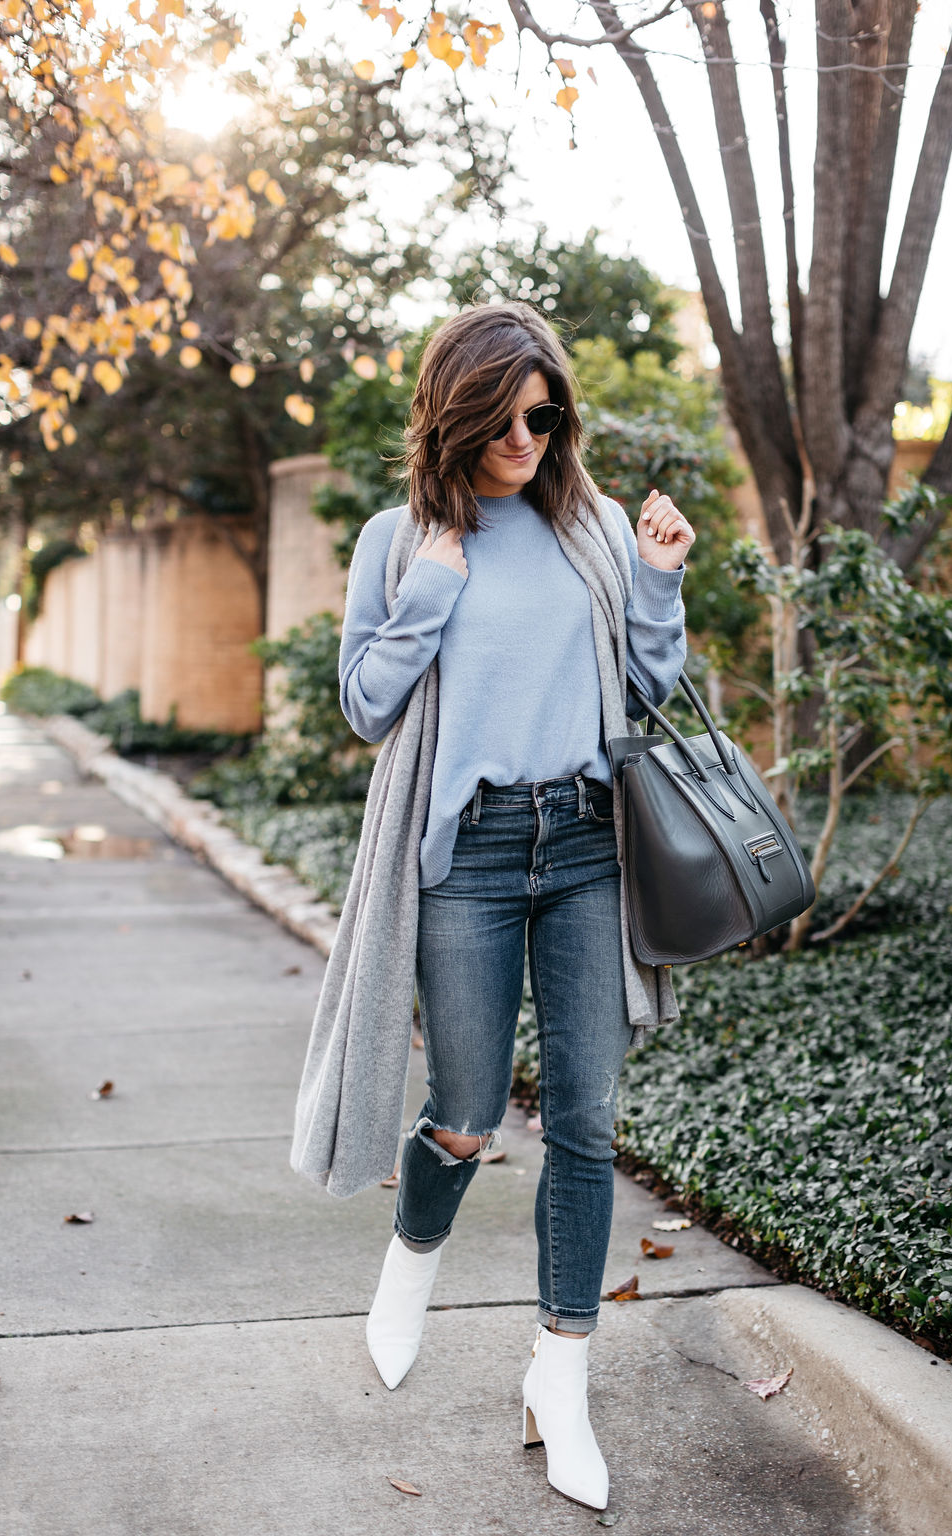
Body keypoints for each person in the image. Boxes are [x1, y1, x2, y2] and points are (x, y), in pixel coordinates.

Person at [291, 301, 694, 1511]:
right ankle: (413, 1253)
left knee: (583, 1121)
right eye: (506, 414)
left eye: (545, 413)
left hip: (581, 846)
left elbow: (648, 680)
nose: (529, 435)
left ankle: (558, 1379)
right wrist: (426, 592)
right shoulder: (397, 537)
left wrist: (661, 583)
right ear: (456, 411)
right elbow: (366, 705)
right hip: (463, 857)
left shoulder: (595, 526)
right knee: (465, 1111)